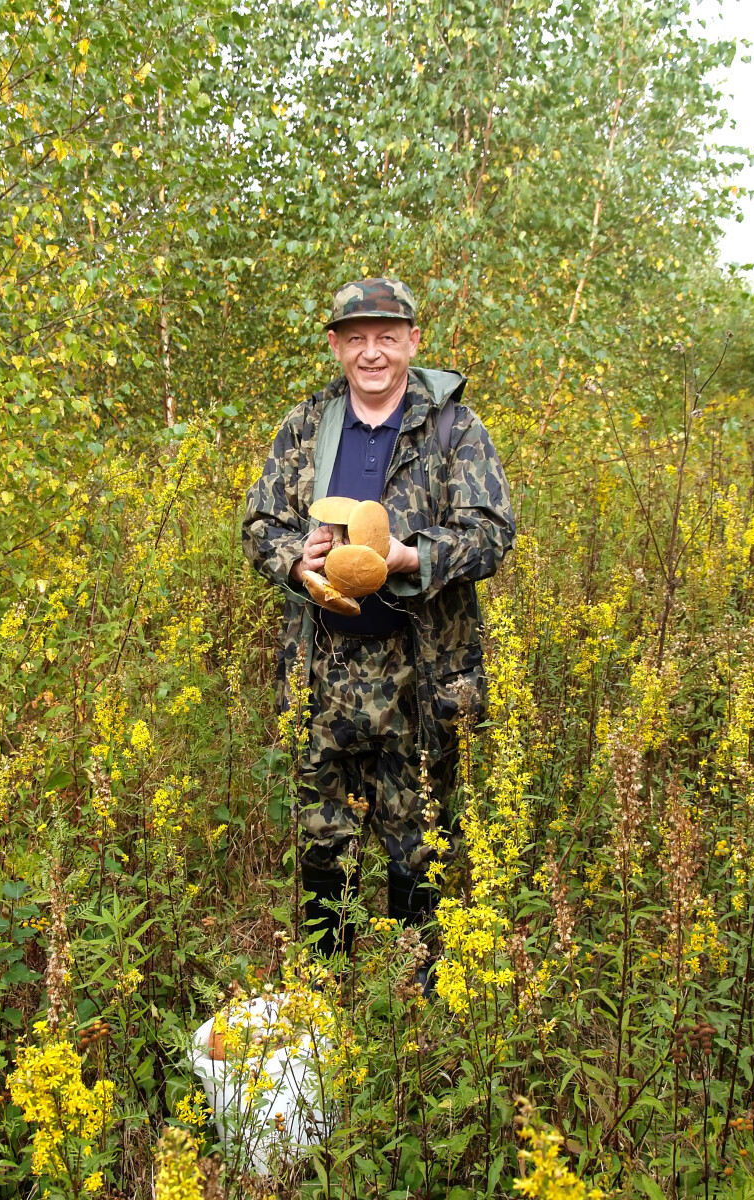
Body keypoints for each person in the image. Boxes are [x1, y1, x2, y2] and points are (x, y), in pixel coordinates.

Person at [243, 277, 515, 981]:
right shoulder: (306, 428)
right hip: (324, 671)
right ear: (336, 346)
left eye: (387, 337)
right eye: (356, 337)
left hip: (421, 674)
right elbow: (260, 524)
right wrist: (292, 561)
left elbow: (491, 534)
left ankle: (415, 1005)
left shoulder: (455, 429)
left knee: (419, 840)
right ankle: (324, 999)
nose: (372, 353)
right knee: (321, 842)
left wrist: (408, 556)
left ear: (413, 342)